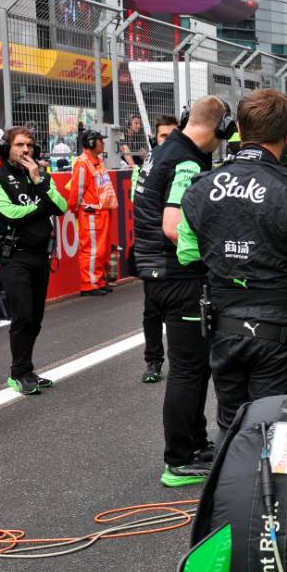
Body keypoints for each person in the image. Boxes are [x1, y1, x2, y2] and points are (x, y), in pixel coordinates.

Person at [177, 88, 287, 437]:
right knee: (277, 432)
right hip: (277, 334)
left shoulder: (200, 187)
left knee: (232, 427)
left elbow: (187, 254)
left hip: (225, 327)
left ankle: (227, 490)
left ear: (239, 128)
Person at [132, 97, 230, 485]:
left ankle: (195, 443)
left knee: (194, 365)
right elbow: (174, 226)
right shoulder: (187, 161)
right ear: (219, 129)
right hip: (178, 274)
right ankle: (179, 459)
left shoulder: (163, 150)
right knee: (188, 369)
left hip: (157, 271)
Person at [0, 127, 68, 395]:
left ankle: (27, 369)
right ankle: (18, 373)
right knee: (22, 315)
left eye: (30, 145)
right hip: (13, 256)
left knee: (35, 318)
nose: (25, 150)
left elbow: (62, 206)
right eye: (19, 145)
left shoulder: (41, 176)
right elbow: (11, 214)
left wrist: (39, 182)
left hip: (40, 255)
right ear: (7, 148)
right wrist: (42, 206)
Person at [131, 113, 179, 384]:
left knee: (181, 311)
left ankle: (180, 360)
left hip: (179, 250)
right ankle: (153, 361)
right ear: (154, 139)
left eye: (174, 136)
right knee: (152, 310)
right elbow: (136, 201)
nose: (169, 142)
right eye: (164, 137)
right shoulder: (144, 169)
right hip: (153, 250)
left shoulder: (187, 166)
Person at [64, 129, 118, 296]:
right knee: (92, 250)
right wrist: (74, 209)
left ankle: (100, 281)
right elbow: (76, 191)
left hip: (102, 212)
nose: (103, 143)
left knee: (102, 249)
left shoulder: (97, 160)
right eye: (100, 140)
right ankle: (89, 285)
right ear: (91, 143)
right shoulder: (82, 163)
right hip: (91, 214)